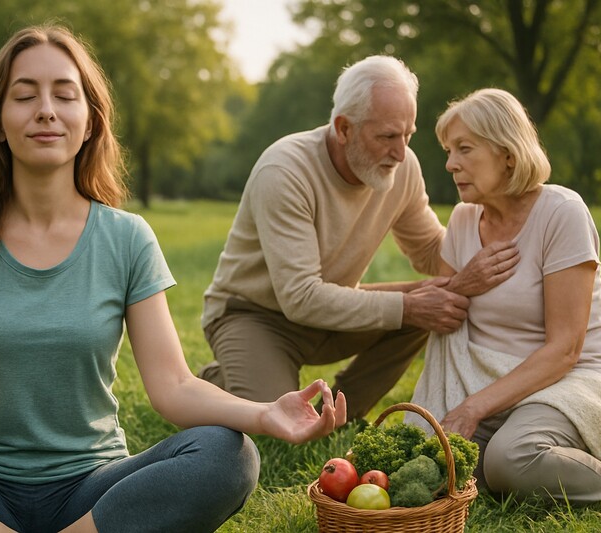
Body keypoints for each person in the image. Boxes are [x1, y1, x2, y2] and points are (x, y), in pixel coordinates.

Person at [0, 24, 348, 533]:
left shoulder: (127, 238)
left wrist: (261, 414)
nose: (46, 110)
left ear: (89, 122)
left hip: (91, 488)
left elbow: (173, 386)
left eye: (65, 94)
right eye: (24, 95)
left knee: (228, 454)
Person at [198, 55, 518, 421]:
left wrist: (500, 242)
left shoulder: (403, 167)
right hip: (254, 314)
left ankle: (340, 412)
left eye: (407, 135)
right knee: (273, 426)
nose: (400, 152)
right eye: (387, 136)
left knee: (434, 303)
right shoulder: (285, 170)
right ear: (344, 128)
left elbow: (431, 249)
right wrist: (409, 306)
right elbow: (300, 298)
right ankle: (215, 382)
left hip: (334, 306)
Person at [409, 87, 601, 503]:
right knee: (423, 460)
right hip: (487, 381)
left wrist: (472, 408)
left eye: (464, 149)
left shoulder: (562, 213)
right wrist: (464, 282)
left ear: (507, 154)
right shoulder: (461, 220)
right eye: (448, 150)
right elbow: (444, 313)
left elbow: (566, 349)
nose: (450, 163)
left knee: (509, 460)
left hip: (571, 379)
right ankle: (523, 457)